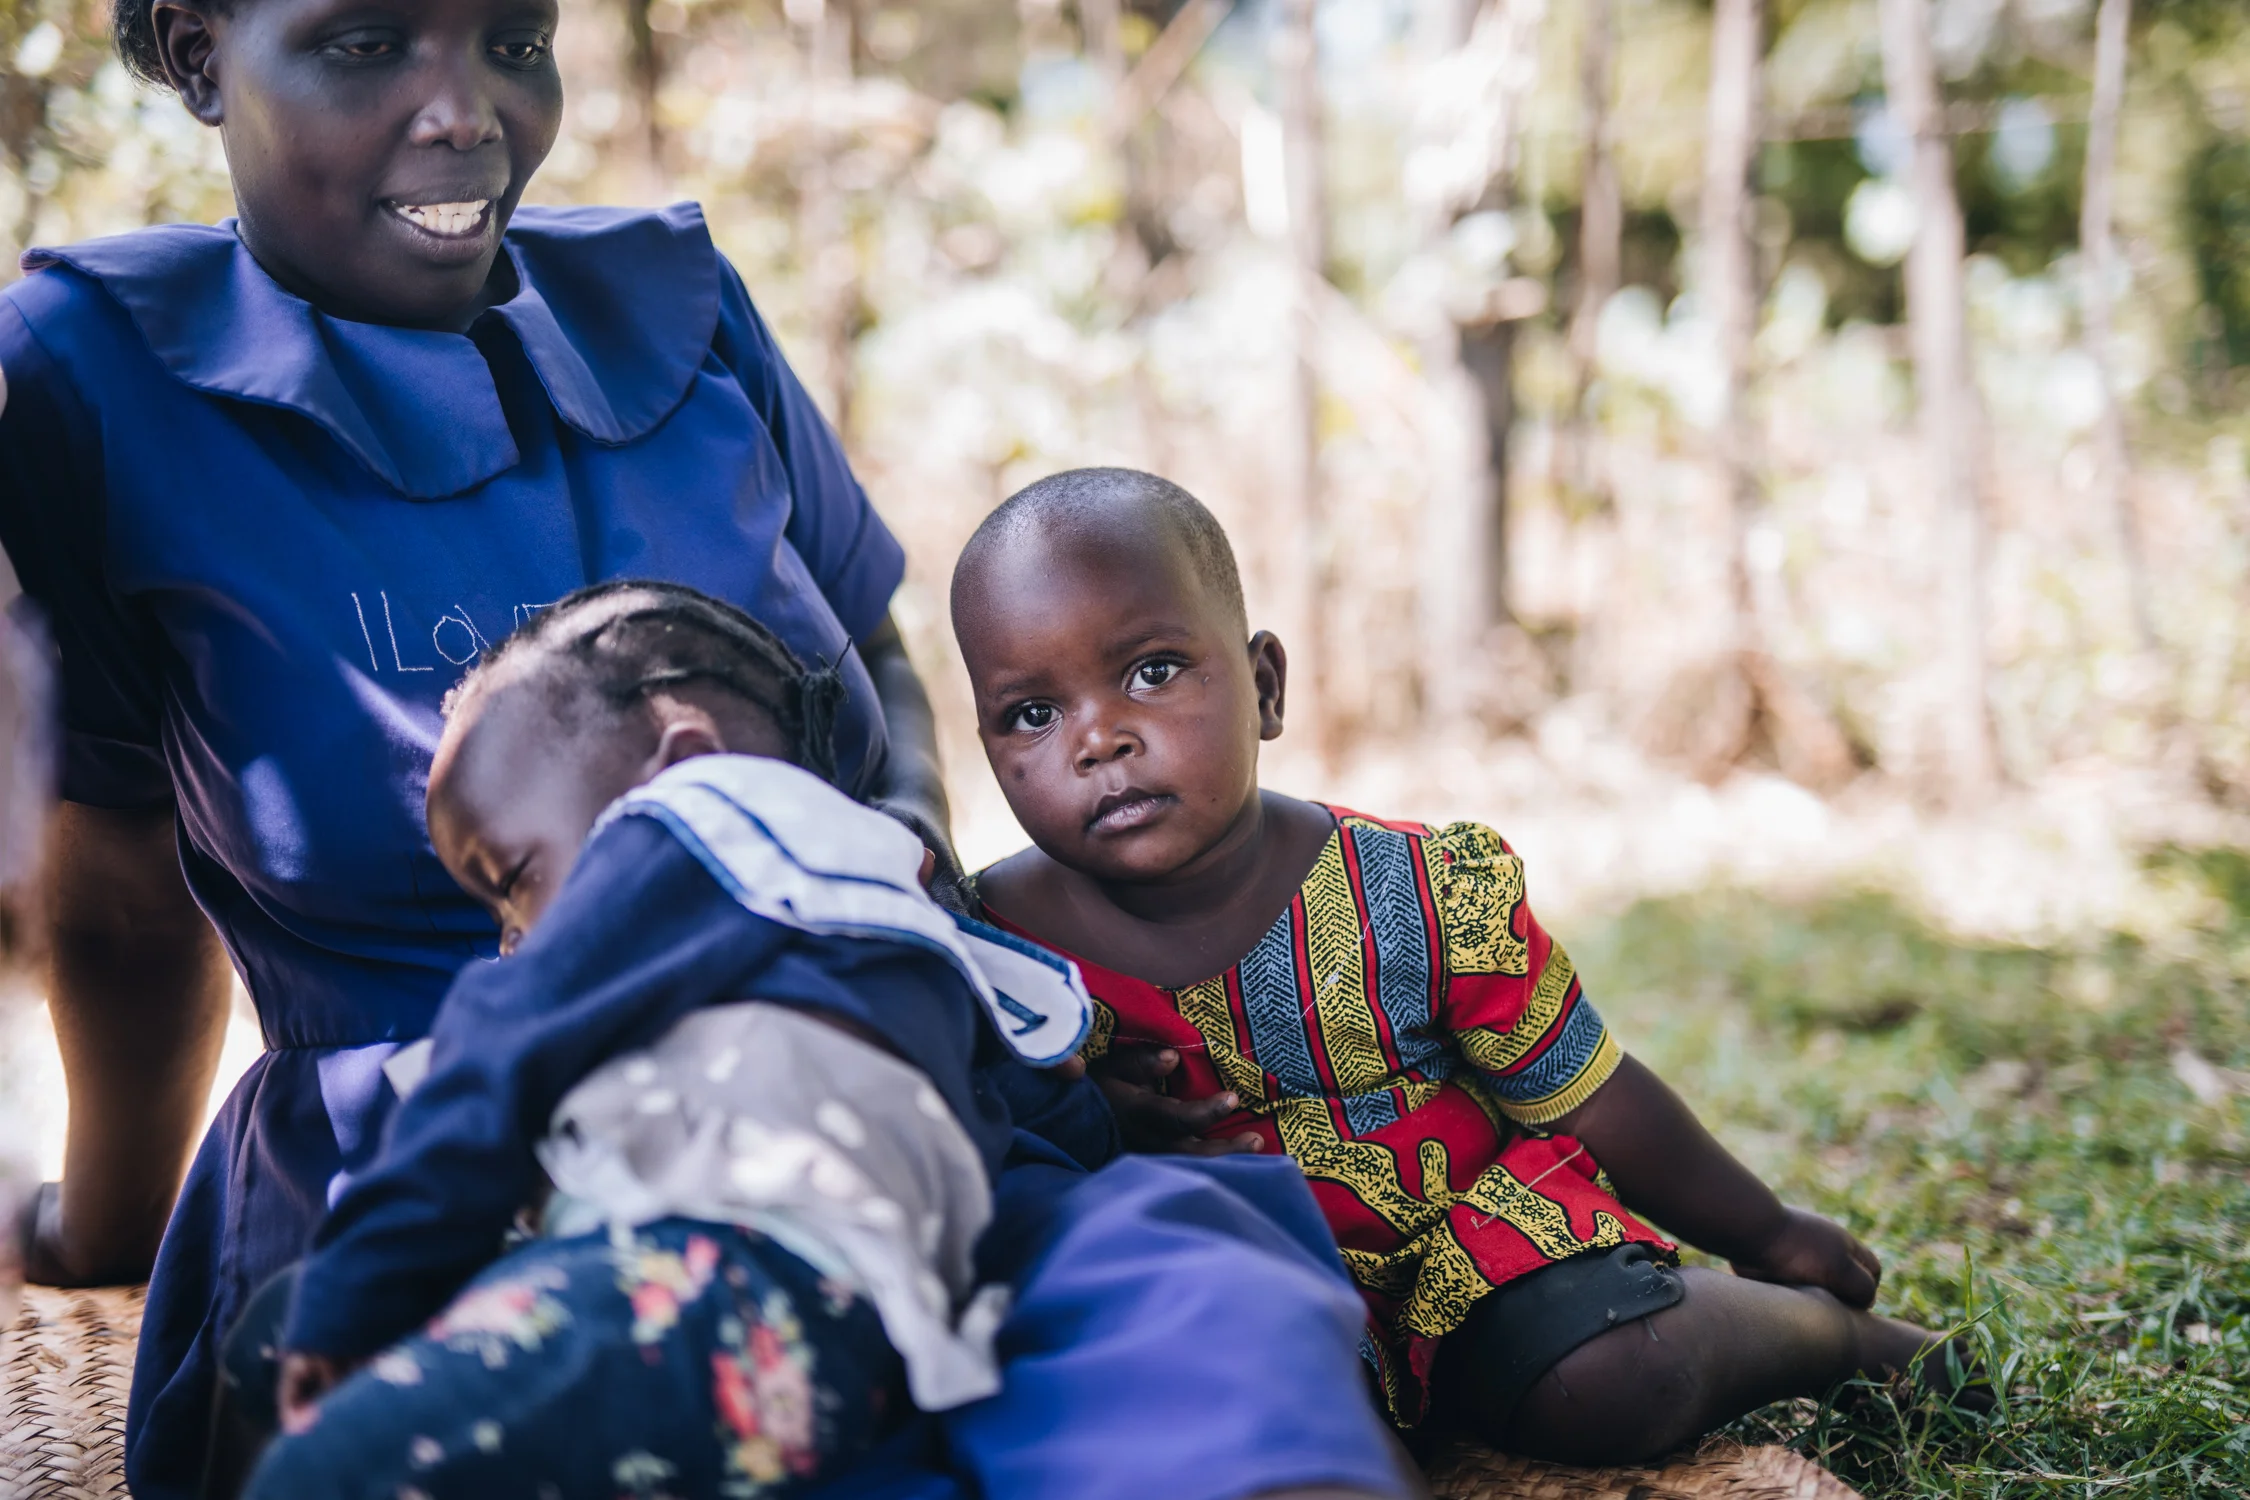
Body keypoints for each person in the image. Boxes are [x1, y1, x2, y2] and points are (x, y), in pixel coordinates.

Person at [0, 3, 1410, 1493]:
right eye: (366, 44)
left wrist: (902, 898)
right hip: (457, 1174)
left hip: (881, 1114)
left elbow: (870, 658)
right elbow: (122, 887)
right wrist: (108, 1226)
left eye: (515, 38)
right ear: (199, 51)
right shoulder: (86, 380)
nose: (466, 112)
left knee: (1203, 1294)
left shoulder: (673, 303)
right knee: (568, 1395)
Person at [952, 467, 1986, 1466]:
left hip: (1478, 1249)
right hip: (1237, 1289)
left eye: (1152, 671)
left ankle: (1831, 1340)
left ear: (1264, 686)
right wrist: (1090, 1119)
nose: (1099, 739)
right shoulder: (998, 951)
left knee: (1608, 1379)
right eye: (1033, 714)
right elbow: (1001, 1148)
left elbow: (1590, 1091)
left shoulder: (1413, 892)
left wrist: (1770, 1229)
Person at [251, 582, 1091, 1495]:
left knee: (327, 1465)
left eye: (514, 878)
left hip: (724, 1288)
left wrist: (358, 1285)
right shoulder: (893, 906)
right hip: (863, 1342)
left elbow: (491, 1055)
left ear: (684, 764)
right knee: (275, 1326)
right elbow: (1037, 1098)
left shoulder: (695, 820)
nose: (513, 940)